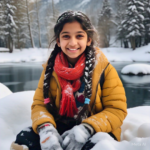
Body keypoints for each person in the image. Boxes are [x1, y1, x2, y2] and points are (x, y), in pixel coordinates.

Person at [10, 10, 127, 150]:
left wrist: (86, 129)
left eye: (79, 36)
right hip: (61, 126)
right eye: (66, 36)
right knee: (25, 138)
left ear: (88, 40)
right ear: (58, 41)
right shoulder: (50, 70)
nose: (73, 43)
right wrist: (46, 129)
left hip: (96, 129)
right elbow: (40, 105)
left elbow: (117, 109)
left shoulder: (104, 69)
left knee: (98, 146)